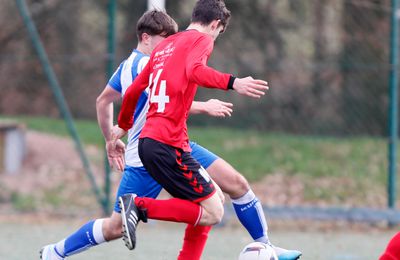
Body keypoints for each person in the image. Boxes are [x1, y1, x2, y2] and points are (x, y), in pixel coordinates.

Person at [40, 7, 300, 260]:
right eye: (164, 38)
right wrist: (218, 95)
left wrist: (115, 133)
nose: (170, 43)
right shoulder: (159, 57)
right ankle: (66, 247)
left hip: (170, 142)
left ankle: (265, 245)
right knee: (126, 224)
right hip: (157, 150)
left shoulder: (128, 65)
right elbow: (168, 90)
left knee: (231, 187)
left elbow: (104, 100)